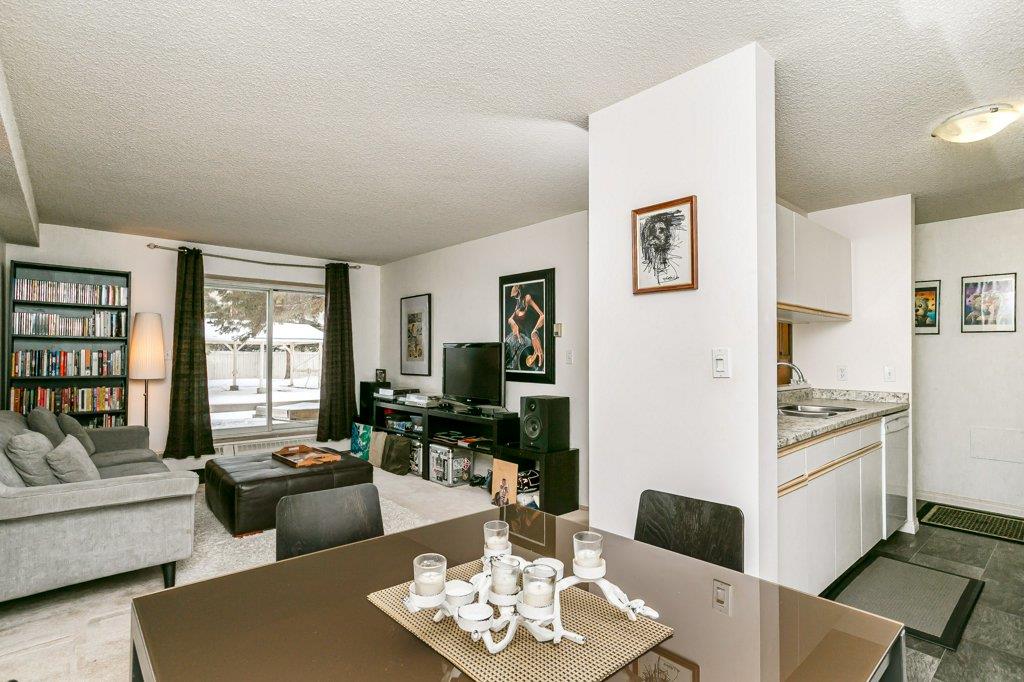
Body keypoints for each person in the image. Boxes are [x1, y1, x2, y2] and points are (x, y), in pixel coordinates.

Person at [504, 283, 545, 370]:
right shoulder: (518, 304)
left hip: (531, 339)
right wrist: (512, 323)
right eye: (514, 297)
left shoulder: (527, 298)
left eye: (516, 295)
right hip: (522, 341)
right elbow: (510, 319)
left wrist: (534, 332)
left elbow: (543, 316)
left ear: (519, 290)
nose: (515, 298)